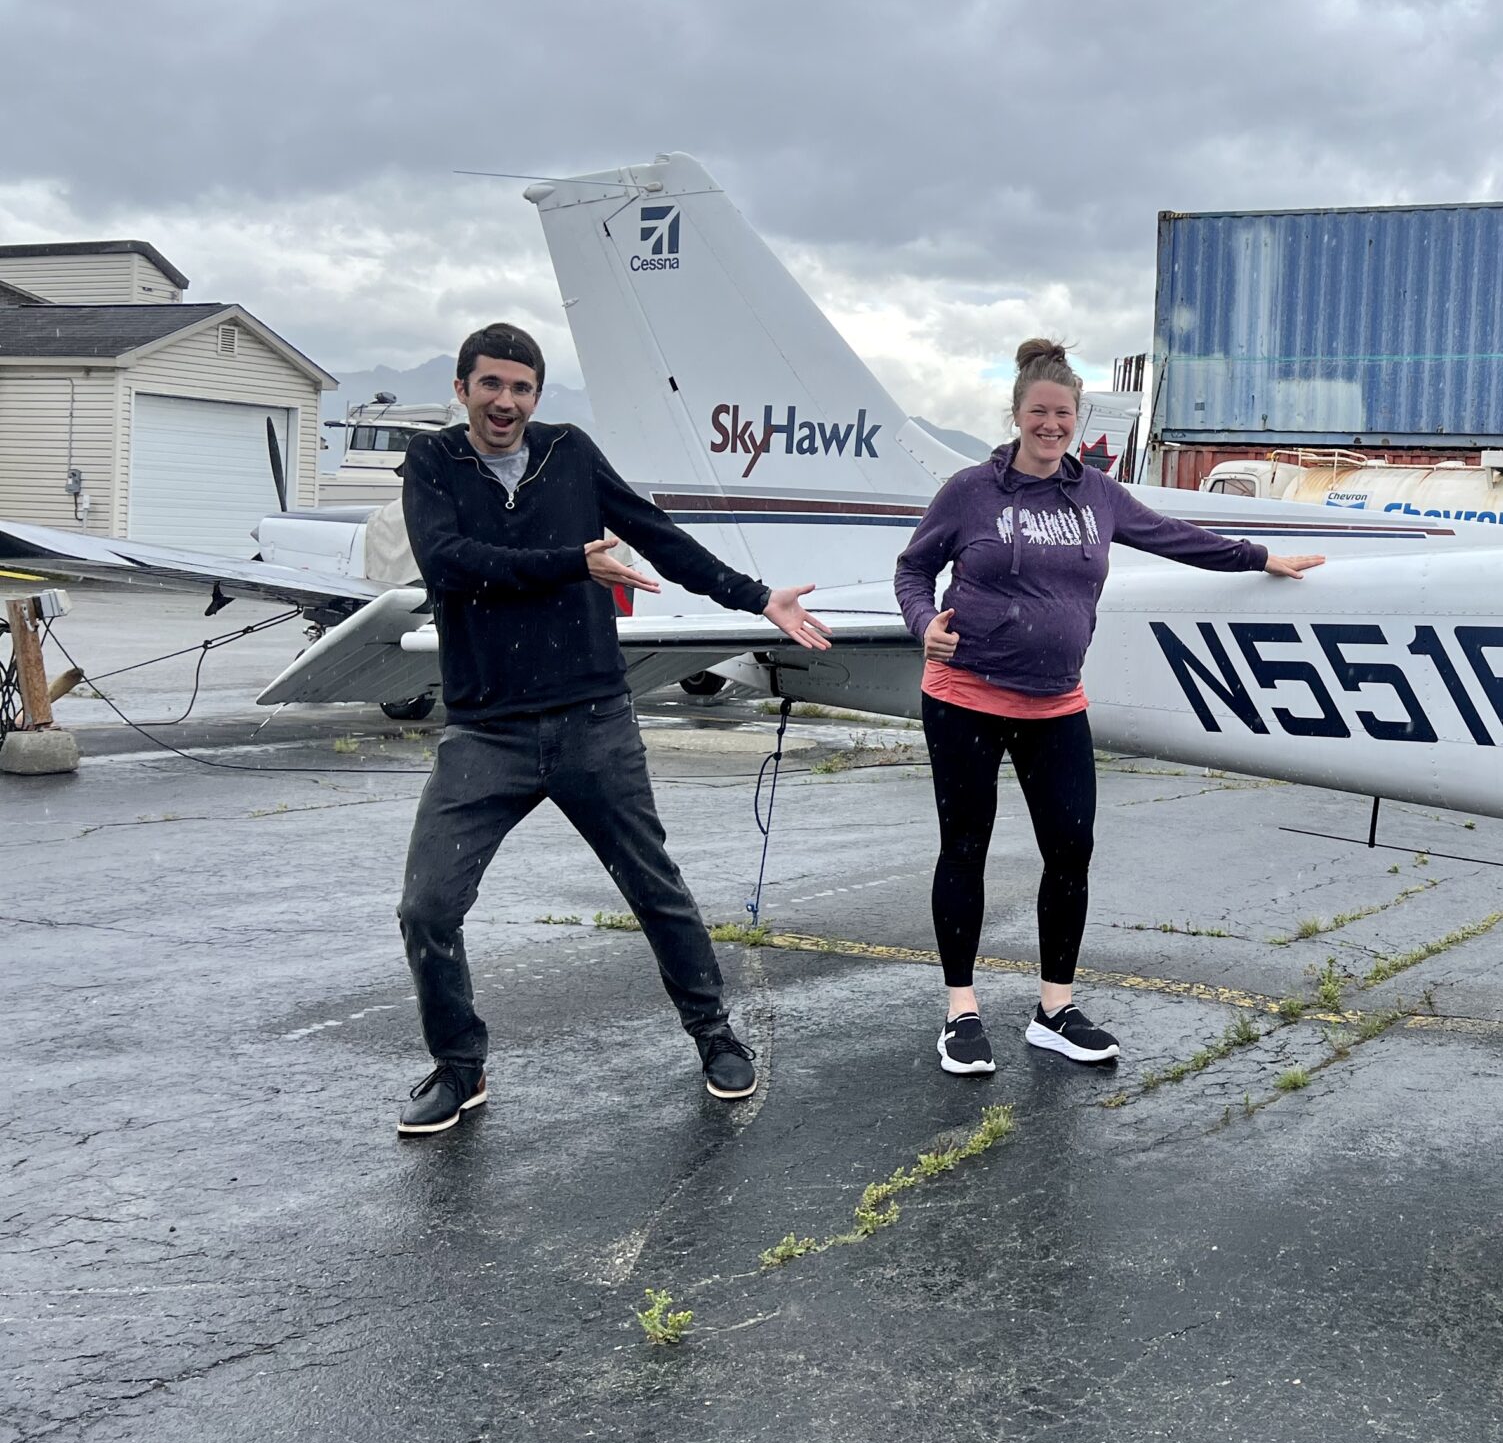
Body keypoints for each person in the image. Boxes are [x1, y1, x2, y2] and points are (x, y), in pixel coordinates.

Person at [392, 323, 832, 1136]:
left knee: (655, 887)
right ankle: (459, 1067)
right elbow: (448, 562)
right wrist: (572, 563)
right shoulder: (433, 465)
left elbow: (657, 533)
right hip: (485, 732)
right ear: (462, 391)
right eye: (490, 384)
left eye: (521, 387)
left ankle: (715, 1037)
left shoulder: (570, 452)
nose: (505, 401)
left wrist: (755, 596)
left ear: (536, 395)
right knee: (427, 908)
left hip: (592, 719)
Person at [894, 338, 1323, 1074]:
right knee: (966, 847)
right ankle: (960, 1011)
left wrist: (1258, 558)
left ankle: (1054, 1008)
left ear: (1077, 417)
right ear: (1018, 413)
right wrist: (922, 623)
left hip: (1056, 704)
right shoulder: (970, 491)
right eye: (1038, 412)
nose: (1051, 425)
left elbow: (1174, 537)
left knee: (1071, 850)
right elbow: (913, 568)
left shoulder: (1096, 494)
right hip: (964, 696)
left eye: (1063, 414)